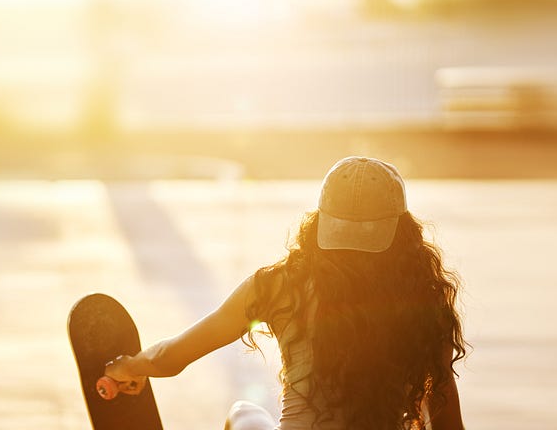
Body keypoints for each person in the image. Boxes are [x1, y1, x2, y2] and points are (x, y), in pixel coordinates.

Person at [104, 156, 468, 429]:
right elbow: (448, 422)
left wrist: (132, 365)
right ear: (403, 232)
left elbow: (172, 356)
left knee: (243, 413)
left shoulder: (277, 286)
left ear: (321, 223)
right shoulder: (426, 298)